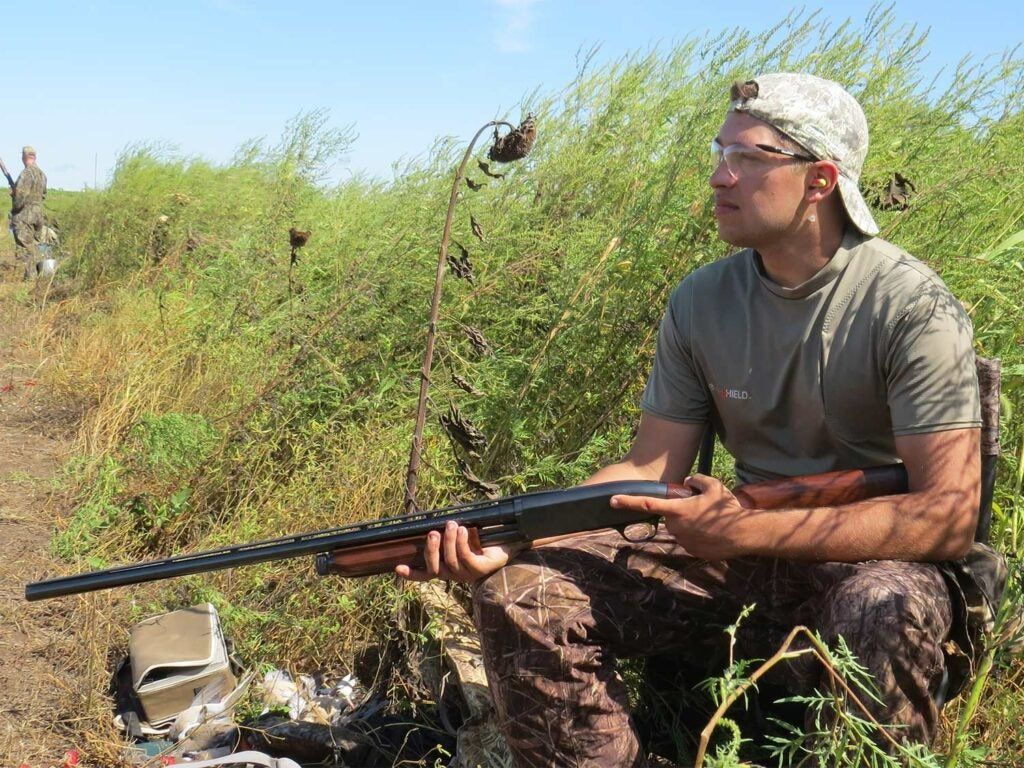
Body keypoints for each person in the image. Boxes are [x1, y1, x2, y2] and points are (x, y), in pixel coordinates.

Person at [398, 73, 993, 766]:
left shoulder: (912, 306)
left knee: (880, 607)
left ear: (820, 180)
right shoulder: (702, 300)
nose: (719, 177)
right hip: (741, 552)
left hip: (879, 564)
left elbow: (949, 516)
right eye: (720, 153)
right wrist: (516, 535)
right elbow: (651, 469)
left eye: (748, 158)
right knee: (521, 592)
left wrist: (746, 527)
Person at [11, 145, 48, 280]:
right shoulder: (42, 175)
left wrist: (14, 208)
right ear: (34, 156)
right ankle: (41, 275)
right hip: (38, 215)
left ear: (24, 157)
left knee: (25, 247)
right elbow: (43, 195)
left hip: (25, 215)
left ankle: (31, 279)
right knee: (36, 245)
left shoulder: (26, 173)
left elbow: (20, 197)